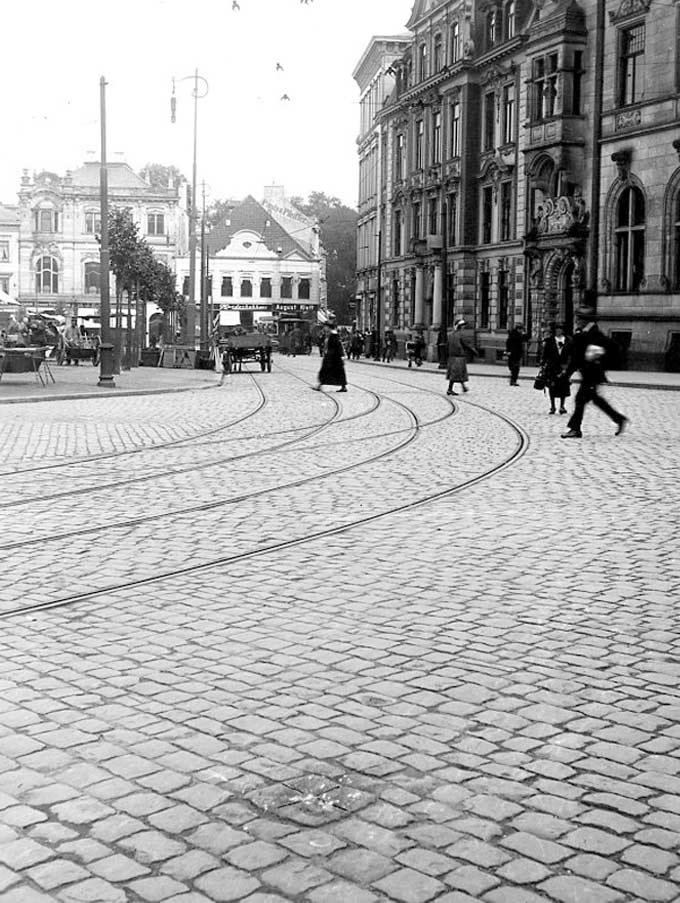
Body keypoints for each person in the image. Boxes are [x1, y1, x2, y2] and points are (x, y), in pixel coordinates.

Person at [561, 305, 628, 439]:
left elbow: (577, 358)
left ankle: (575, 429)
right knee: (595, 399)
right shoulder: (585, 333)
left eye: (579, 318)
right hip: (589, 374)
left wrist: (600, 360)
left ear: (585, 320)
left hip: (592, 374)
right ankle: (619, 419)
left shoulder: (591, 334)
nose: (576, 321)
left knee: (580, 399)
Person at [541, 323, 572, 414]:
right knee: (552, 387)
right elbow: (545, 354)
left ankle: (562, 406)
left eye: (560, 329)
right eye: (557, 329)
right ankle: (553, 406)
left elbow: (571, 354)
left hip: (564, 367)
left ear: (563, 330)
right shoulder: (550, 341)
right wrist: (543, 364)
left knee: (563, 387)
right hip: (552, 367)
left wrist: (568, 366)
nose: (558, 331)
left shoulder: (568, 341)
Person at [313, 319, 347, 392]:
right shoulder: (331, 335)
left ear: (329, 327)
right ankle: (343, 386)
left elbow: (337, 346)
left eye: (325, 326)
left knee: (326, 371)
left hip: (333, 357)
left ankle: (319, 385)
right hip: (333, 357)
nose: (324, 328)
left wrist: (339, 355)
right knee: (337, 371)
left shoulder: (333, 335)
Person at [446, 318, 477, 395]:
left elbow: (447, 345)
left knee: (457, 373)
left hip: (452, 356)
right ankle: (450, 389)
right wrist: (474, 351)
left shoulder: (451, 334)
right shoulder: (461, 334)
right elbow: (467, 344)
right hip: (459, 356)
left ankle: (463, 387)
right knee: (457, 373)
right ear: (460, 326)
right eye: (463, 325)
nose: (464, 327)